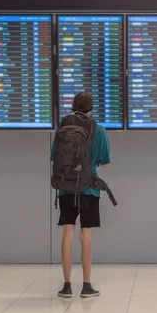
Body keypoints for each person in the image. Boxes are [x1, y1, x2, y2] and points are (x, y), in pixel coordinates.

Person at [50, 92, 111, 298]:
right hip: (89, 188)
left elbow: (53, 157)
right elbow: (105, 161)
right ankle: (86, 286)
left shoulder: (62, 129)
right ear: (91, 108)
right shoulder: (99, 130)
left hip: (66, 188)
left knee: (68, 233)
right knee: (86, 236)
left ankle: (66, 286)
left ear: (73, 107)